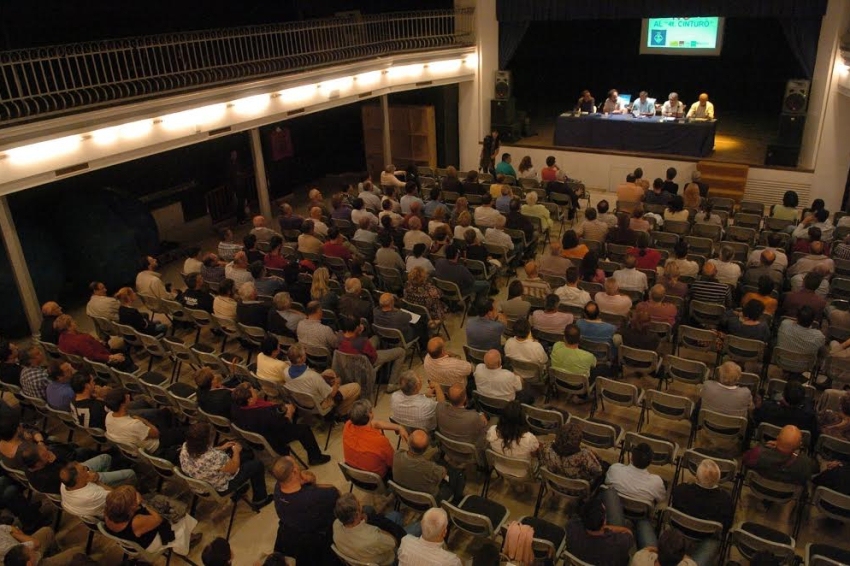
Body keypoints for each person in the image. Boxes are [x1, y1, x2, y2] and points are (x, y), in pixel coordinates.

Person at [231, 384, 330, 465]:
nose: (255, 392)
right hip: (273, 438)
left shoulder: (236, 409)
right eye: (253, 392)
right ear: (249, 400)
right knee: (304, 429)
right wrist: (289, 412)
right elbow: (284, 423)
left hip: (260, 431)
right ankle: (315, 457)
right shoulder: (264, 414)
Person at [179, 422, 272, 509]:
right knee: (257, 465)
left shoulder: (185, 447)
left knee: (245, 456)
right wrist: (236, 451)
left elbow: (206, 454)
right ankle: (260, 500)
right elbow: (234, 468)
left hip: (201, 486)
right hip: (219, 488)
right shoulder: (214, 457)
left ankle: (241, 488)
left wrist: (221, 448)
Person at [104, 485, 200, 556]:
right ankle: (186, 541)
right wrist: (142, 503)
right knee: (180, 517)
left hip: (131, 540)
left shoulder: (108, 514)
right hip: (149, 544)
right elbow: (158, 519)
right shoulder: (136, 521)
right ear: (131, 506)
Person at [104, 388, 186, 462]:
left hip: (136, 440)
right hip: (156, 445)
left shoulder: (109, 416)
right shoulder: (134, 424)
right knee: (183, 431)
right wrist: (143, 420)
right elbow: (156, 433)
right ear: (122, 404)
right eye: (127, 396)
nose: (129, 396)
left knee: (164, 413)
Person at [332, 493, 408, 566]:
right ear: (357, 514)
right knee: (415, 527)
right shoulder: (374, 538)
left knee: (395, 515)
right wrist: (371, 521)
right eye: (359, 503)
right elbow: (394, 541)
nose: (362, 505)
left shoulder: (336, 525)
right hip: (390, 560)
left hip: (362, 557)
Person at [393, 429, 464, 504]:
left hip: (403, 497)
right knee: (458, 475)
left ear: (408, 443)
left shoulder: (397, 455)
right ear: (427, 448)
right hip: (426, 503)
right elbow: (443, 472)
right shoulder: (431, 468)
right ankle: (457, 501)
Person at [343, 399, 408, 479]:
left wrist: (398, 427)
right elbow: (393, 464)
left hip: (354, 476)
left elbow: (374, 423)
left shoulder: (348, 426)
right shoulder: (379, 441)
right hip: (376, 482)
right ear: (370, 414)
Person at [566, 497, 634, 566]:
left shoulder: (571, 527)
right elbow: (628, 532)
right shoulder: (618, 543)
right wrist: (606, 528)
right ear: (604, 522)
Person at [742, 425, 820, 485]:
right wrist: (796, 454)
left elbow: (745, 460)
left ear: (777, 438)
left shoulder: (758, 453)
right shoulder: (805, 463)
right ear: (799, 446)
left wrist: (764, 446)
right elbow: (814, 472)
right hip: (785, 495)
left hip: (758, 487)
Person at [671, 459, 734, 532]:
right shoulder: (725, 501)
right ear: (718, 480)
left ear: (696, 477)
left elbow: (674, 506)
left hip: (679, 529)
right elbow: (726, 526)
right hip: (706, 536)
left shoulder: (680, 490)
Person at [54, 315, 133, 372]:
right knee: (124, 356)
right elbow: (93, 356)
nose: (75, 322)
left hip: (81, 365)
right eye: (72, 321)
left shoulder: (61, 338)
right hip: (99, 363)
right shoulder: (80, 340)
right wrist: (112, 357)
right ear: (69, 327)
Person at [435, 383, 488, 463]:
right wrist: (481, 415)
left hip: (447, 448)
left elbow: (440, 402)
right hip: (467, 454)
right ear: (465, 398)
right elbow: (483, 429)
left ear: (448, 397)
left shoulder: (439, 409)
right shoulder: (473, 417)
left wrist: (437, 387)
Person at [486, 400, 539, 478]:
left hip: (500, 468)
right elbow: (535, 455)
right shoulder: (529, 438)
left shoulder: (492, 431)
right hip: (523, 473)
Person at [540, 421, 605, 485]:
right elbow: (598, 471)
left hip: (556, 484)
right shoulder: (584, 455)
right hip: (577, 490)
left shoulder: (547, 448)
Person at [753, 379, 818, 435]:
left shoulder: (767, 409)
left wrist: (758, 407)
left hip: (768, 439)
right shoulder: (809, 417)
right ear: (802, 400)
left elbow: (756, 421)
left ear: (783, 395)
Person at [0, 525, 85, 565]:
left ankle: (55, 554)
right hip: (29, 559)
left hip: (21, 549)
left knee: (46, 531)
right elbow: (36, 544)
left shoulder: (22, 550)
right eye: (31, 551)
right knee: (78, 551)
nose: (33, 550)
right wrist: (14, 534)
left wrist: (15, 534)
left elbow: (9, 528)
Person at [630, 528, 701, 566]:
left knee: (644, 525)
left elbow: (646, 549)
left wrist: (656, 549)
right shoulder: (690, 564)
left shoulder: (639, 559)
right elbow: (690, 560)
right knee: (710, 543)